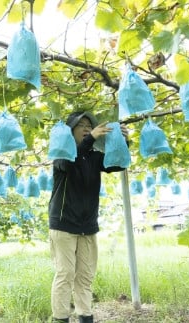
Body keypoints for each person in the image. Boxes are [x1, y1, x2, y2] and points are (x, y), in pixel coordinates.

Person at [48, 111, 129, 323]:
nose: (86, 129)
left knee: (85, 277)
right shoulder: (61, 155)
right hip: (64, 226)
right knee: (65, 275)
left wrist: (123, 140)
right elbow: (70, 162)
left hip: (88, 226)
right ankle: (61, 318)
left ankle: (85, 318)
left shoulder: (94, 158)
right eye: (81, 125)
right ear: (70, 130)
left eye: (89, 126)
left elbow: (117, 164)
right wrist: (91, 137)